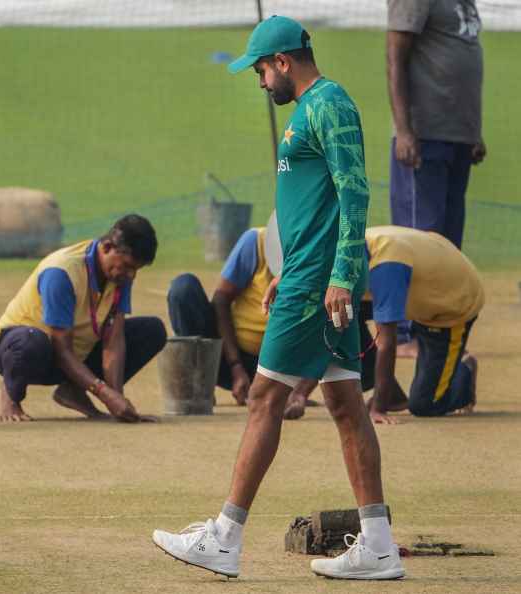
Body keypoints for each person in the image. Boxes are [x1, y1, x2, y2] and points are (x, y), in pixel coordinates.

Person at [152, 16, 405, 581]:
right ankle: (379, 545)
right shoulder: (306, 112)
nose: (261, 81)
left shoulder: (328, 103)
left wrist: (338, 274)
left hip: (317, 284)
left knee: (265, 397)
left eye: (262, 69)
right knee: (343, 404)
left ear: (285, 62)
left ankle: (224, 537)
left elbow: (354, 190)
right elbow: (312, 206)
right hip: (305, 275)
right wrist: (286, 267)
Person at [0, 214, 166, 423]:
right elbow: (61, 350)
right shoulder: (62, 272)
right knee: (32, 342)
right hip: (25, 348)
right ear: (107, 247)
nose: (131, 276)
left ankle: (72, 390)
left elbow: (114, 340)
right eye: (127, 266)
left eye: (136, 269)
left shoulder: (119, 276)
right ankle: (10, 393)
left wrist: (117, 398)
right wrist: (103, 392)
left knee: (152, 330)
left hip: (73, 355)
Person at [387, 0, 485, 352]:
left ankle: (437, 330)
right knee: (418, 238)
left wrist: (473, 131)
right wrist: (404, 130)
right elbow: (395, 53)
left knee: (446, 245)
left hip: (457, 137)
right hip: (423, 134)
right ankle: (405, 332)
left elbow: (461, 64)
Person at [166, 226, 318, 418]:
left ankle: (289, 390)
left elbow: (327, 328)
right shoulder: (254, 242)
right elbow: (221, 300)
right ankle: (200, 386)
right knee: (183, 288)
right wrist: (235, 366)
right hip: (230, 357)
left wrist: (300, 391)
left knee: (342, 316)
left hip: (282, 367)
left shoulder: (319, 254)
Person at [363, 226, 483, 421]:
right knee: (343, 314)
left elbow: (387, 342)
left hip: (451, 303)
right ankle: (394, 396)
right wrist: (298, 393)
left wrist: (378, 407)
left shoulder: (387, 266)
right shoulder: (346, 248)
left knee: (425, 405)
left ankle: (464, 368)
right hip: (420, 283)